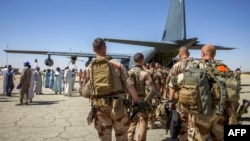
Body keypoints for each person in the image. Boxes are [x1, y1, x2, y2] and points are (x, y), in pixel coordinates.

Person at [82, 38, 139, 141]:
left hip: (100, 109)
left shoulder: (89, 68)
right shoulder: (117, 65)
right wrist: (136, 101)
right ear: (105, 48)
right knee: (122, 137)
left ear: (93, 50)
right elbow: (130, 86)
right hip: (119, 108)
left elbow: (85, 92)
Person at [127, 53, 157, 141]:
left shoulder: (128, 73)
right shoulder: (145, 74)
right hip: (142, 101)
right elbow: (152, 89)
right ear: (142, 60)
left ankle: (129, 138)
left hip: (131, 101)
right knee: (143, 121)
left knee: (132, 120)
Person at [167, 46, 192, 141]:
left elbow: (171, 84)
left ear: (179, 54)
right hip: (197, 101)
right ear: (188, 54)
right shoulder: (198, 64)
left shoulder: (177, 65)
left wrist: (170, 100)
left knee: (183, 123)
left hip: (181, 100)